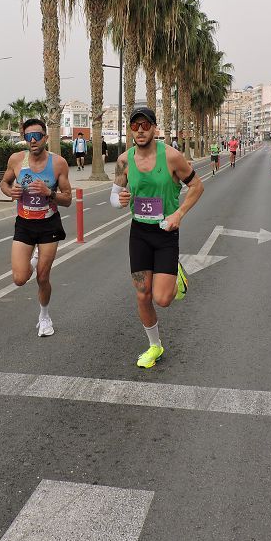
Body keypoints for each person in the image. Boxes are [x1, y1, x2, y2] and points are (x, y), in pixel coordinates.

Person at [111, 107, 204, 369]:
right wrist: (120, 200)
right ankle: (155, 346)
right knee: (142, 294)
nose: (140, 130)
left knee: (162, 299)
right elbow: (114, 196)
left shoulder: (172, 157)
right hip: (139, 232)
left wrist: (180, 214)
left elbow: (197, 186)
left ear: (154, 128)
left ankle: (176, 273)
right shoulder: (123, 161)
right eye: (135, 126)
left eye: (145, 125)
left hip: (165, 233)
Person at [1, 118, 73, 337]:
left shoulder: (58, 163)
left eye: (37, 136)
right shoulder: (16, 160)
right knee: (20, 279)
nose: (33, 141)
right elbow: (4, 183)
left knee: (42, 277)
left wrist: (49, 193)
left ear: (45, 137)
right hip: (24, 223)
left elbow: (68, 199)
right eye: (28, 137)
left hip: (48, 225)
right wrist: (9, 192)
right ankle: (33, 259)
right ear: (25, 139)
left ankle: (44, 316)